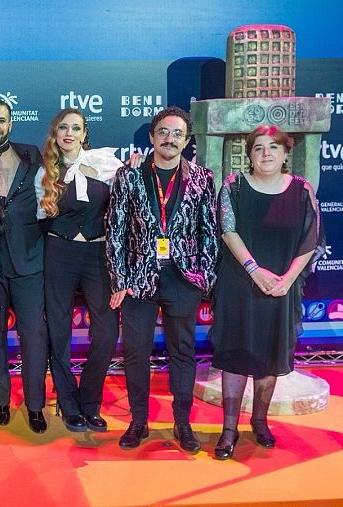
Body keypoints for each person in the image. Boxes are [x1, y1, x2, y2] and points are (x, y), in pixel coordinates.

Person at [106, 106, 218, 452]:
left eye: (178, 134)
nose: (170, 139)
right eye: (164, 132)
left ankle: (182, 423)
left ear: (187, 140)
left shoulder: (202, 178)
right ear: (152, 137)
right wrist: (120, 279)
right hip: (138, 279)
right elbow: (115, 229)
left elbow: (209, 231)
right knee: (136, 352)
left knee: (183, 352)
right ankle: (138, 421)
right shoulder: (129, 175)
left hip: (183, 278)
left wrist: (203, 276)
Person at [209, 126, 323, 460]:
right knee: (234, 355)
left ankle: (260, 422)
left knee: (270, 356)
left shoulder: (301, 190)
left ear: (286, 153)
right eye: (258, 148)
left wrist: (288, 279)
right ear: (250, 154)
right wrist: (254, 270)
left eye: (273, 147)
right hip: (239, 284)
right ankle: (229, 430)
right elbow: (228, 231)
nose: (266, 153)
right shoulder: (233, 186)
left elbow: (311, 239)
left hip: (281, 288)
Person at [35, 108, 121, 433]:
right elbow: (36, 216)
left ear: (85, 134)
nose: (69, 133)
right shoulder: (45, 173)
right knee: (59, 330)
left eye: (76, 128)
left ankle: (90, 401)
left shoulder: (104, 164)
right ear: (55, 134)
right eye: (63, 128)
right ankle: (69, 405)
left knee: (107, 331)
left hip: (98, 253)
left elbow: (127, 203)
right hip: (59, 252)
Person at [0, 98, 49, 433]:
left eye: (1, 120)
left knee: (33, 335)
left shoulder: (31, 154)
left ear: (10, 124)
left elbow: (57, 184)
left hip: (28, 258)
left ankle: (35, 405)